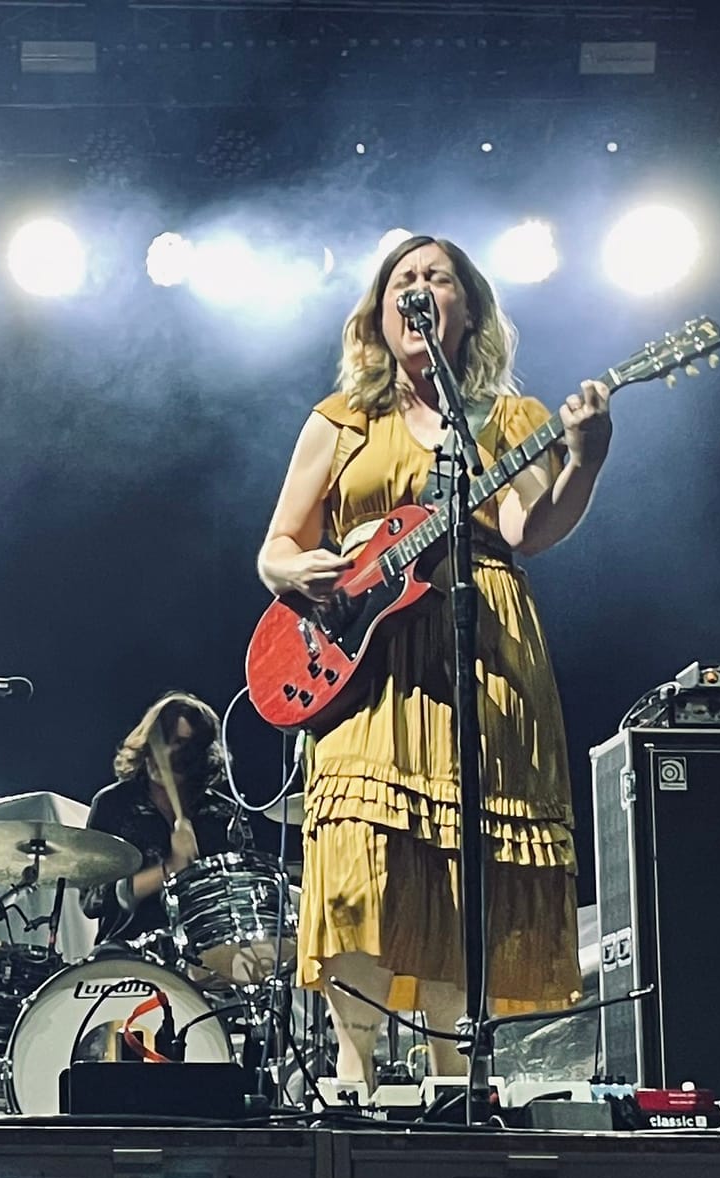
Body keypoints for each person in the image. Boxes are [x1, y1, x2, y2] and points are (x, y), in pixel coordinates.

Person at [255, 234, 613, 1085]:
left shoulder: (507, 418)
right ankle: (355, 1074)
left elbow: (532, 531)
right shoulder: (340, 421)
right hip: (364, 659)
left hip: (479, 641)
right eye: (403, 280)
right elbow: (276, 544)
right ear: (380, 313)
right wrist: (293, 569)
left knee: (466, 858)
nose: (419, 289)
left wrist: (587, 461)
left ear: (469, 308)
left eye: (438, 278)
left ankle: (455, 1075)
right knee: (356, 853)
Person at [80, 692, 254, 959]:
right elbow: (93, 900)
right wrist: (170, 869)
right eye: (160, 740)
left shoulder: (224, 815)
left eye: (182, 745)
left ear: (199, 756)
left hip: (206, 960)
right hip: (125, 956)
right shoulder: (114, 804)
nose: (164, 753)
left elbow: (242, 899)